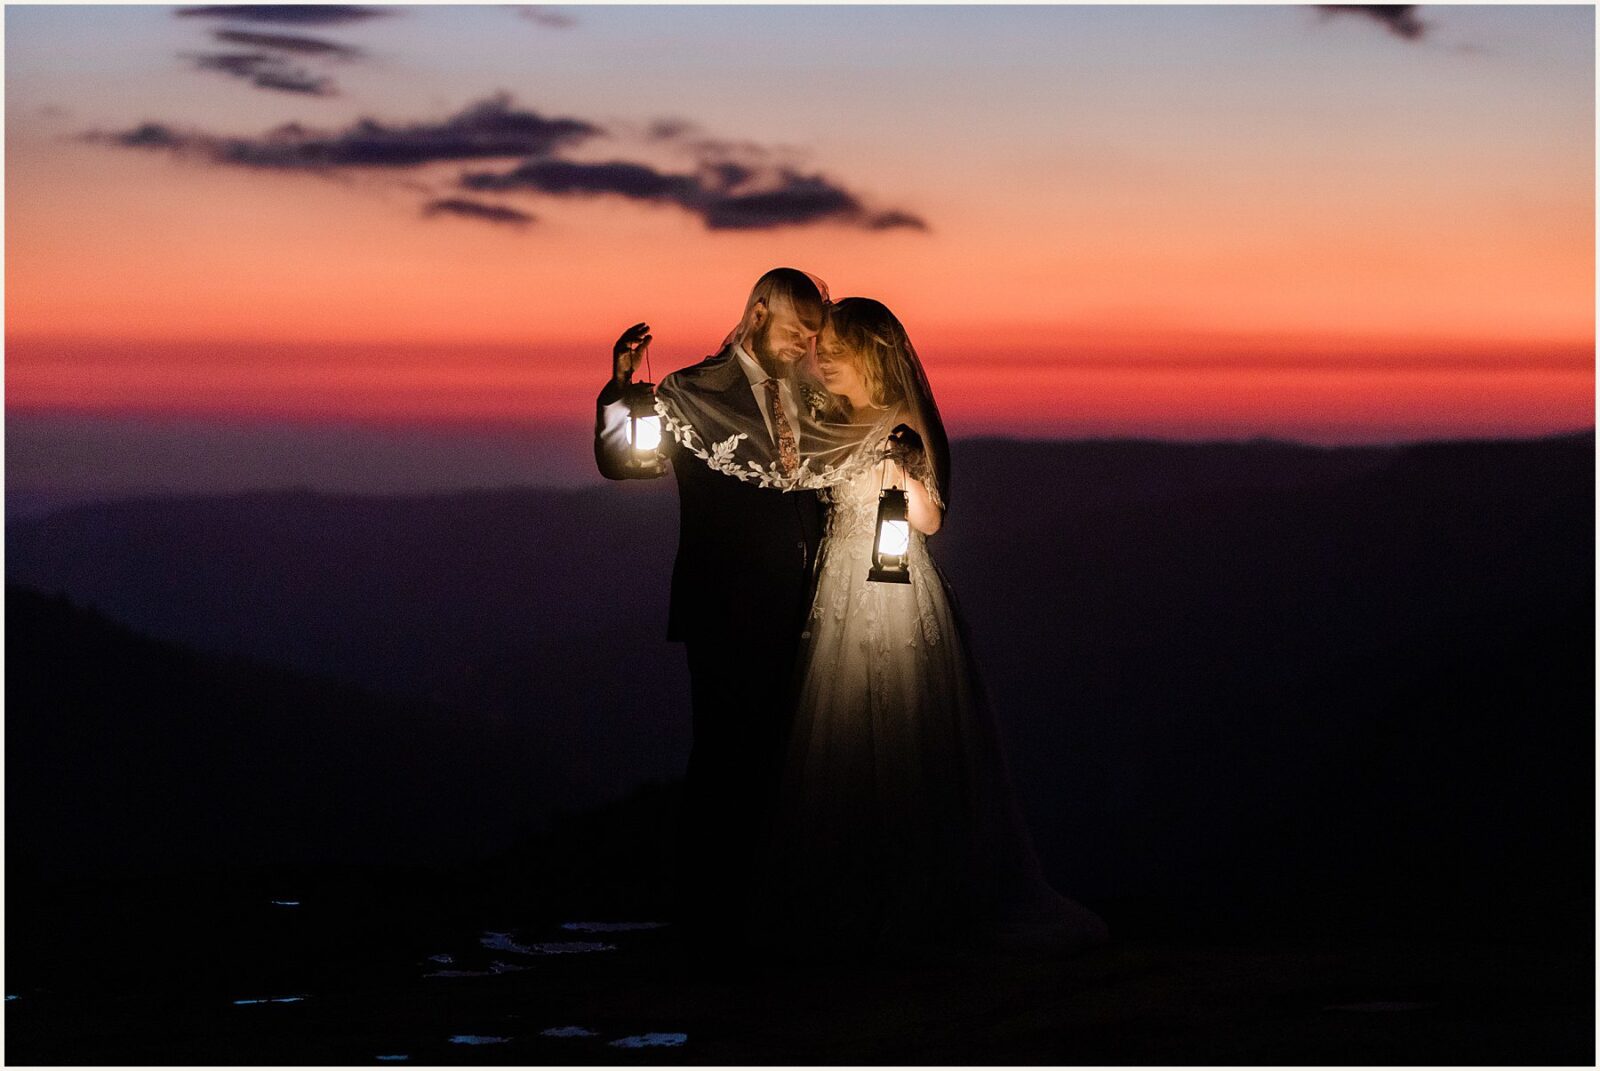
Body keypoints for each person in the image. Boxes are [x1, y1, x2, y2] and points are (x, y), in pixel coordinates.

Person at [741, 297, 1112, 963]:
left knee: (900, 724)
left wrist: (908, 467)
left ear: (871, 354)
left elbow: (932, 519)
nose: (824, 359)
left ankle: (914, 890)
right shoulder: (831, 418)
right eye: (823, 349)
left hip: (893, 589)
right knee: (843, 730)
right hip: (837, 586)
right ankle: (849, 887)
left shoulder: (905, 420)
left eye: (837, 349)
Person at [593, 268, 829, 954]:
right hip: (725, 606)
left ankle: (774, 912)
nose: (805, 346)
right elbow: (625, 464)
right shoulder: (690, 390)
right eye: (796, 331)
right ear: (757, 315)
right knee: (725, 760)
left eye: (813, 335)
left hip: (810, 606)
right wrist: (620, 393)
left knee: (792, 762)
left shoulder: (812, 397)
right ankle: (708, 921)